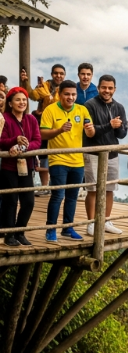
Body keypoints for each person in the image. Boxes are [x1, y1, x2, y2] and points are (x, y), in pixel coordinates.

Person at [39, 80, 95, 243]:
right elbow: (42, 134)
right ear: (59, 94)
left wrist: (90, 131)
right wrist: (59, 130)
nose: (70, 97)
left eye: (73, 94)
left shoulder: (82, 110)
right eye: (67, 94)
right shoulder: (50, 110)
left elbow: (90, 133)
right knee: (58, 195)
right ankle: (51, 229)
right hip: (58, 159)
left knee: (72, 196)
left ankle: (68, 228)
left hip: (77, 161)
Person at [83, 74, 127, 236]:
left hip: (112, 153)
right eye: (104, 87)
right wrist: (110, 125)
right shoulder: (89, 105)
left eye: (110, 88)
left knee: (110, 189)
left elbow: (122, 134)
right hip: (93, 152)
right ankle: (91, 223)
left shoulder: (119, 107)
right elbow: (90, 132)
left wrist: (118, 127)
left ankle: (106, 220)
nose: (107, 91)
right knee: (93, 189)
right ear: (98, 88)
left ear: (114, 89)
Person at [0, 87, 41, 246]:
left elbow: (37, 140)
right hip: (8, 167)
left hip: (26, 165)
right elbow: (1, 141)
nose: (22, 102)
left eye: (24, 100)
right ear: (10, 103)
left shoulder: (31, 119)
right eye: (18, 99)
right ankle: (9, 235)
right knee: (10, 201)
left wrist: (23, 147)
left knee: (29, 201)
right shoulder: (4, 118)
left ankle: (20, 232)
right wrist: (14, 140)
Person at [29, 64, 67, 197]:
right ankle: (45, 186)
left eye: (61, 73)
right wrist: (26, 82)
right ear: (52, 74)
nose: (58, 76)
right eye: (56, 73)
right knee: (43, 154)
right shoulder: (44, 86)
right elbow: (32, 96)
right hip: (43, 123)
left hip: (59, 123)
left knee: (59, 155)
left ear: (64, 75)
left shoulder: (65, 88)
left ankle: (57, 186)